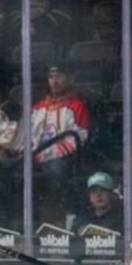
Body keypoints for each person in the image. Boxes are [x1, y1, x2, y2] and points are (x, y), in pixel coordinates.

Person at [30, 62, 89, 223]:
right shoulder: (37, 108)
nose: (54, 81)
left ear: (69, 79)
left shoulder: (77, 106)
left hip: (61, 160)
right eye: (51, 77)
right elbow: (28, 139)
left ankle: (56, 217)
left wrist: (43, 154)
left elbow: (78, 140)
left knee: (56, 171)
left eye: (59, 77)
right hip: (35, 159)